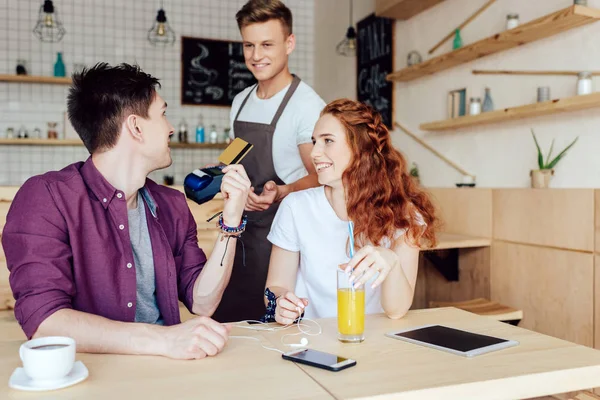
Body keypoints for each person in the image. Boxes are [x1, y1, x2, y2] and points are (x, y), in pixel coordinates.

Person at [1, 63, 251, 360]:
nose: (171, 127)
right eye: (163, 114)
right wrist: (163, 340)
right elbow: (45, 321)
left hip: (168, 369)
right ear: (135, 126)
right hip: (90, 375)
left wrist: (231, 218)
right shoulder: (47, 197)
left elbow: (202, 302)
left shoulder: (171, 204)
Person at [264, 99, 438, 324]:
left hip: (376, 342)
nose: (314, 153)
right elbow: (276, 286)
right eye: (314, 142)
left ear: (361, 148)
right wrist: (280, 302)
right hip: (311, 340)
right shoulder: (295, 207)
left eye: (327, 141)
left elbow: (397, 311)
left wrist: (392, 262)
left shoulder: (404, 214)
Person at [212, 0, 325, 323]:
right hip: (241, 232)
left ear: (289, 43)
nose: (256, 55)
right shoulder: (241, 100)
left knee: (273, 327)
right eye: (249, 45)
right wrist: (227, 181)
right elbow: (234, 156)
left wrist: (282, 190)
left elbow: (324, 175)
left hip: (283, 237)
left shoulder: (306, 106)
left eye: (266, 44)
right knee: (230, 325)